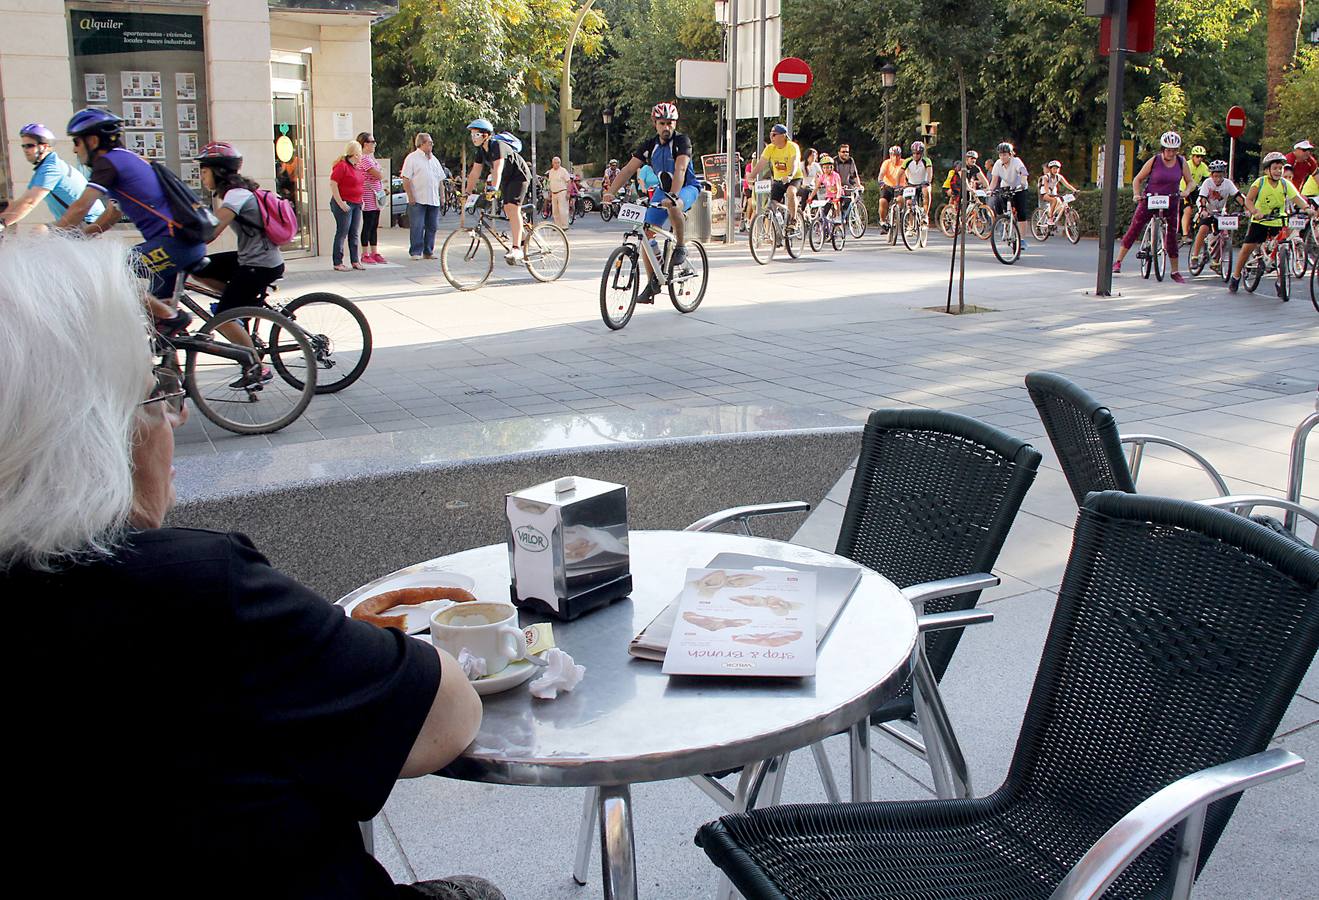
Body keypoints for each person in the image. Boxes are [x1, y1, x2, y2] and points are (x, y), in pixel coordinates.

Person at [0, 233, 504, 900]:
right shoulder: (191, 590)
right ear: (94, 428)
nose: (172, 418)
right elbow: (444, 717)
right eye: (157, 389)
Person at [54, 108, 207, 328]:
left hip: (175, 244)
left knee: (113, 273)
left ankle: (175, 319)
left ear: (93, 140)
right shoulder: (126, 160)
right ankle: (169, 352)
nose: (74, 149)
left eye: (77, 142)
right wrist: (82, 236)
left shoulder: (107, 163)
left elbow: (80, 207)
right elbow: (111, 215)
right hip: (181, 242)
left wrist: (53, 234)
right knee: (159, 327)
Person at [184, 140, 286, 386]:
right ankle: (241, 303)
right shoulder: (235, 193)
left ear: (218, 171)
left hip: (260, 264)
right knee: (197, 264)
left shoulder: (236, 196)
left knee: (223, 316)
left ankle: (258, 368)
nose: (201, 176)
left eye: (204, 170)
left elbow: (211, 231)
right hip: (250, 260)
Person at [603, 101, 699, 303]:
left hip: (685, 188)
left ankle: (680, 246)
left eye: (670, 123)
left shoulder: (682, 142)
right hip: (662, 191)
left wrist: (673, 195)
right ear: (654, 123)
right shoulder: (649, 146)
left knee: (674, 205)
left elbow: (680, 169)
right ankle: (653, 282)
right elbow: (628, 170)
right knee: (645, 234)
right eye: (662, 123)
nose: (667, 127)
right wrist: (610, 193)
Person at [1111, 132, 1195, 282]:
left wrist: (1186, 191)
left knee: (1171, 234)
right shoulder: (1155, 160)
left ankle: (1175, 271)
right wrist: (1136, 194)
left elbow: (1191, 181)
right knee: (1135, 227)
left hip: (1171, 199)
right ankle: (1118, 261)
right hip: (1151, 198)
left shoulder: (1181, 162)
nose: (1171, 153)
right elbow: (1138, 179)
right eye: (1168, 149)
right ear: (1163, 149)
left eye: (1174, 150)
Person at [1227, 151, 1307, 295]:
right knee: (1247, 249)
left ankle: (1280, 280)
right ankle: (1236, 276)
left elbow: (1297, 198)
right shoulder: (1260, 182)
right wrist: (1255, 212)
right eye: (1275, 168)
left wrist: (1307, 208)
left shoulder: (1285, 184)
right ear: (1267, 170)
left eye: (1280, 168)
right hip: (1261, 221)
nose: (1278, 171)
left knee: (1282, 247)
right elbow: (1248, 200)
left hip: (1278, 221)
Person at [0, 122, 105, 228]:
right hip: (77, 222)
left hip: (88, 222)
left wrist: (3, 224)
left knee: (40, 232)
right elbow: (22, 200)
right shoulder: (44, 168)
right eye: (23, 146)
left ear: (45, 147)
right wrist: (2, 220)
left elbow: (30, 202)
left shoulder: (51, 169)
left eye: (30, 146)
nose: (25, 150)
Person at [464, 119, 532, 264]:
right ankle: (523, 237)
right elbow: (475, 173)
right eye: (472, 135)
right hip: (507, 179)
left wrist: (493, 188)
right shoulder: (481, 151)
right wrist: (467, 193)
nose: (473, 138)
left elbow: (498, 168)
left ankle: (516, 249)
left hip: (519, 176)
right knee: (507, 209)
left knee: (513, 208)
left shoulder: (497, 145)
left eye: (476, 134)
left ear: (486, 135)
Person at [1188, 159, 1240, 271]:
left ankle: (1216, 261)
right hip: (1207, 209)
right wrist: (1203, 210)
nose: (1217, 179)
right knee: (1203, 228)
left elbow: (1238, 196)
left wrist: (1247, 208)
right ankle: (1195, 256)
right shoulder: (1208, 183)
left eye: (1220, 176)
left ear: (1224, 175)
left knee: (1223, 235)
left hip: (1220, 211)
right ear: (1211, 175)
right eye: (1215, 176)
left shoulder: (1228, 184)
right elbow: (1202, 198)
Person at [402, 132, 446, 260]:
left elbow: (440, 180)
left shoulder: (434, 160)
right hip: (418, 199)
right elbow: (406, 178)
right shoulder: (412, 158)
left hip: (433, 199)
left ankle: (428, 251)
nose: (432, 145)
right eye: (429, 143)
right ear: (421, 144)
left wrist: (442, 197)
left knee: (432, 226)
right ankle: (416, 251)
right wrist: (410, 196)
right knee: (417, 225)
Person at [750, 124, 804, 227]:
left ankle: (794, 219)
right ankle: (777, 231)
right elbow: (761, 163)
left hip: (794, 178)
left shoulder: (792, 147)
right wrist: (751, 176)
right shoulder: (770, 148)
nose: (771, 137)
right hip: (778, 179)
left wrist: (790, 175)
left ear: (783, 136)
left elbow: (795, 162)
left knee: (791, 192)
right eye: (771, 134)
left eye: (774, 135)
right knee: (771, 204)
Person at [987, 141, 1032, 249]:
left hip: (1019, 188)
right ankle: (1005, 220)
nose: (1002, 157)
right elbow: (994, 180)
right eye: (1001, 154)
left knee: (1021, 212)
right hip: (1005, 187)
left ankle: (1022, 239)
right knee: (997, 201)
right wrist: (990, 190)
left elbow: (1024, 172)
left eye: (1005, 154)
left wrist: (1022, 183)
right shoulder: (998, 164)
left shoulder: (1016, 161)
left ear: (1010, 154)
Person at [329, 139, 365, 271]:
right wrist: (340, 202)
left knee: (354, 232)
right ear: (355, 154)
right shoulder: (342, 166)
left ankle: (355, 260)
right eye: (360, 153)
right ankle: (337, 261)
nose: (361, 156)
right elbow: (333, 184)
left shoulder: (357, 168)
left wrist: (362, 200)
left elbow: (359, 185)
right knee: (342, 232)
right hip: (344, 202)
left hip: (357, 203)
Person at [357, 131, 387, 264]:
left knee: (374, 224)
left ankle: (374, 251)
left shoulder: (371, 158)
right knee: (368, 224)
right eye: (372, 142)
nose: (374, 144)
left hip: (376, 196)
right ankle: (365, 253)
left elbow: (380, 174)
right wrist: (380, 173)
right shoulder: (364, 159)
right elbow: (379, 175)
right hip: (368, 196)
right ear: (365, 144)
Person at [1179, 145, 1210, 239]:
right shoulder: (1187, 165)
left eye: (1202, 156)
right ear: (1192, 156)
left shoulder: (1203, 166)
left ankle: (1195, 225)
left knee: (1206, 205)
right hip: (1184, 190)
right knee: (1187, 210)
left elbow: (1209, 178)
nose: (1199, 158)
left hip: (1194, 189)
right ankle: (1185, 235)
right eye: (1197, 156)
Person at [1038, 160, 1078, 224]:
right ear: (1050, 169)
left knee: (1060, 203)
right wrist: (1048, 193)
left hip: (1053, 193)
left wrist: (1075, 190)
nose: (1056, 170)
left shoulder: (1059, 177)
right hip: (1045, 193)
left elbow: (1067, 185)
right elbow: (1045, 186)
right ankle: (1050, 219)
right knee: (1054, 200)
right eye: (1054, 168)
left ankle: (1053, 216)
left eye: (1057, 169)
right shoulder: (1046, 177)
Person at [878, 145, 906, 231]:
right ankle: (882, 221)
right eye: (893, 155)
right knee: (882, 201)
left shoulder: (904, 162)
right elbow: (882, 174)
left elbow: (908, 173)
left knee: (900, 199)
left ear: (900, 156)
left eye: (897, 155)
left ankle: (898, 217)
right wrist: (881, 181)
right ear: (890, 156)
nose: (895, 157)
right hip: (888, 186)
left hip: (900, 187)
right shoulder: (886, 163)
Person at [903, 140, 934, 218]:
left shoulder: (926, 161)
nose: (915, 155)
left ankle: (925, 214)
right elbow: (900, 173)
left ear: (921, 153)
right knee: (909, 204)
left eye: (918, 153)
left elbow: (930, 173)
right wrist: (898, 184)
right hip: (911, 184)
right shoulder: (908, 161)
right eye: (913, 153)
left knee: (926, 191)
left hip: (923, 183)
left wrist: (928, 181)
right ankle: (911, 225)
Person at [816, 153, 843, 219]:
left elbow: (839, 188)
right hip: (829, 196)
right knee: (825, 211)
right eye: (824, 168)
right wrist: (810, 197)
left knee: (836, 204)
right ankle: (825, 224)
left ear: (832, 167)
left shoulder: (835, 175)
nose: (826, 170)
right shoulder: (822, 176)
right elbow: (816, 187)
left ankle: (838, 218)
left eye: (828, 167)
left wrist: (837, 196)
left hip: (837, 195)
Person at [547, 156, 572, 227]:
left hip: (562, 192)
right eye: (555, 163)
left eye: (558, 163)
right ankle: (557, 226)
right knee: (555, 211)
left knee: (563, 210)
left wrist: (568, 193)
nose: (557, 164)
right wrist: (550, 194)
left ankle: (564, 225)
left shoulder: (563, 171)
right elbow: (550, 183)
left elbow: (568, 181)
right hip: (554, 193)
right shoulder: (551, 171)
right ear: (552, 163)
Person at [741, 151, 758, 231]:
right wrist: (750, 184)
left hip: (758, 186)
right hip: (748, 187)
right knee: (751, 201)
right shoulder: (749, 166)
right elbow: (748, 176)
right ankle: (748, 219)